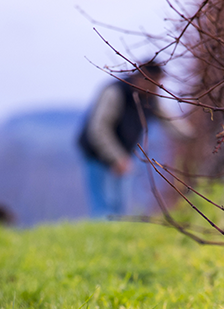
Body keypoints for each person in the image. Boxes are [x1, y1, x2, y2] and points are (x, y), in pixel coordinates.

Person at [77, 61, 189, 218]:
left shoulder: (149, 98)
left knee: (119, 206)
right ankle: (100, 237)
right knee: (103, 207)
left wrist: (191, 135)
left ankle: (113, 236)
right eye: (155, 82)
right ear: (144, 78)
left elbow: (169, 120)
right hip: (98, 154)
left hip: (124, 155)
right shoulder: (115, 92)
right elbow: (98, 129)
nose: (158, 87)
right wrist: (117, 158)